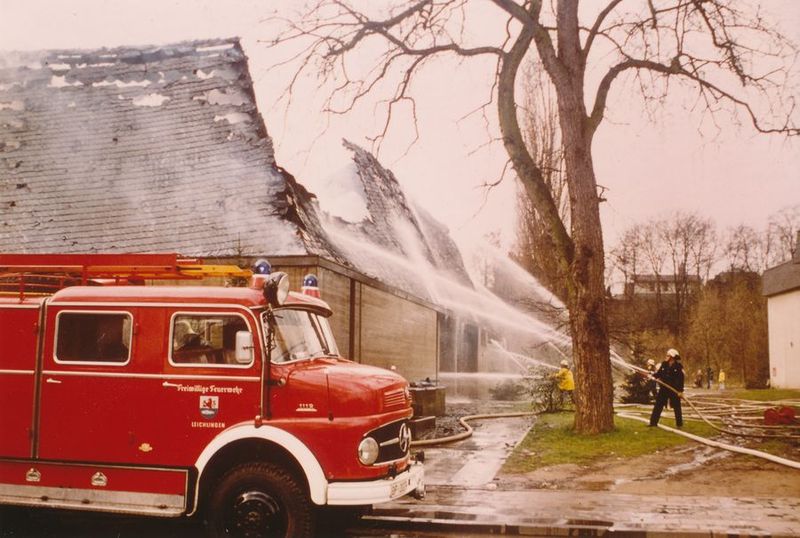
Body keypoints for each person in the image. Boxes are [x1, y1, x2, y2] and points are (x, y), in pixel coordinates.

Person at [649, 348, 684, 428]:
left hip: (674, 389)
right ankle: (653, 423)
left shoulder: (678, 367)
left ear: (672, 357)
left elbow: (681, 379)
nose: (666, 356)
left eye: (668, 355)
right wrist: (652, 376)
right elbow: (659, 374)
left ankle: (679, 424)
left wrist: (680, 391)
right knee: (658, 405)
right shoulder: (664, 364)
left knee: (677, 407)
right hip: (664, 388)